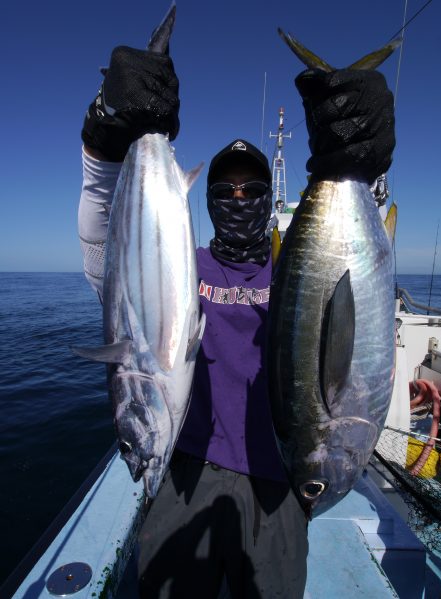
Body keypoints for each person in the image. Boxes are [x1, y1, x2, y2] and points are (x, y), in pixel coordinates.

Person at [78, 41, 395, 599]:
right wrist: (102, 143)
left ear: (268, 196)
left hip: (279, 480)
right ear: (205, 200)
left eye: (252, 189)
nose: (240, 197)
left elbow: (355, 295)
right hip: (187, 470)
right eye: (225, 190)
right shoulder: (180, 269)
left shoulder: (297, 271)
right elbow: (105, 247)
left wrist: (362, 167)